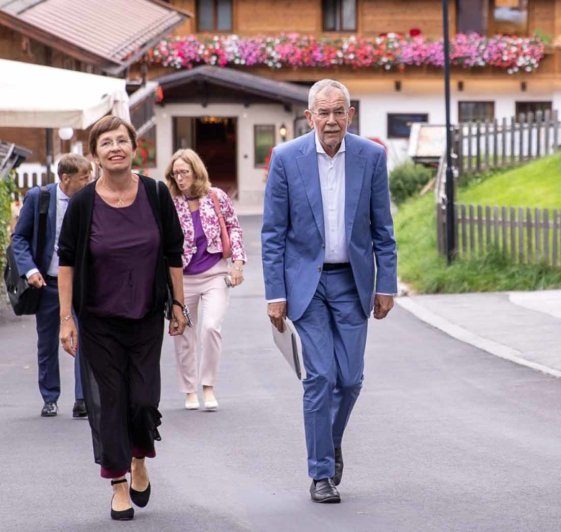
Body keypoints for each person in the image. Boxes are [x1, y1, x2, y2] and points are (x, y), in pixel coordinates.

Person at [261, 79, 397, 503]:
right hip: (306, 284)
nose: (332, 120)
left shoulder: (371, 157)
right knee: (320, 376)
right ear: (310, 116)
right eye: (324, 112)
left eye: (339, 112)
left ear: (350, 115)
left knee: (351, 379)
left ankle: (329, 441)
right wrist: (275, 292)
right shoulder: (286, 158)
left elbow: (383, 229)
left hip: (352, 281)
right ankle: (321, 473)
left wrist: (386, 284)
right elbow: (272, 234)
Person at [57, 115, 187, 520]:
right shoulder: (82, 204)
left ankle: (138, 459)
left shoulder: (154, 193)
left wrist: (178, 305)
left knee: (144, 399)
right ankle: (117, 483)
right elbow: (65, 262)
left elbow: (173, 252)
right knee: (108, 402)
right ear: (95, 154)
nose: (115, 148)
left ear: (134, 148)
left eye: (121, 141)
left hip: (146, 316)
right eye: (106, 143)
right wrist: (66, 317)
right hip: (99, 320)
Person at [165, 148, 247, 411]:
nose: (180, 178)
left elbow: (234, 227)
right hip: (182, 278)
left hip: (215, 273)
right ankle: (189, 390)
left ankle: (208, 385)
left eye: (184, 172)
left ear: (196, 172)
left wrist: (238, 262)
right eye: (175, 173)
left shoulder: (216, 197)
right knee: (184, 335)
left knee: (210, 327)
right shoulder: (169, 201)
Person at [11, 154, 91, 418]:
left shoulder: (90, 199)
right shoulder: (39, 198)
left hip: (80, 283)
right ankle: (50, 397)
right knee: (47, 343)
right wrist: (30, 270)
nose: (89, 182)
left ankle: (82, 398)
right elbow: (19, 238)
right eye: (84, 177)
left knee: (85, 339)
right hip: (47, 283)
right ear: (66, 178)